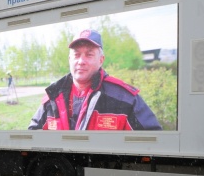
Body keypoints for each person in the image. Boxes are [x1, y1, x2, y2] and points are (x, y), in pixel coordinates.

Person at [28, 29, 162, 131]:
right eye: (76, 55)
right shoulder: (52, 97)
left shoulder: (125, 99)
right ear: (70, 60)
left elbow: (153, 142)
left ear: (101, 60)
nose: (81, 61)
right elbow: (32, 137)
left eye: (89, 54)